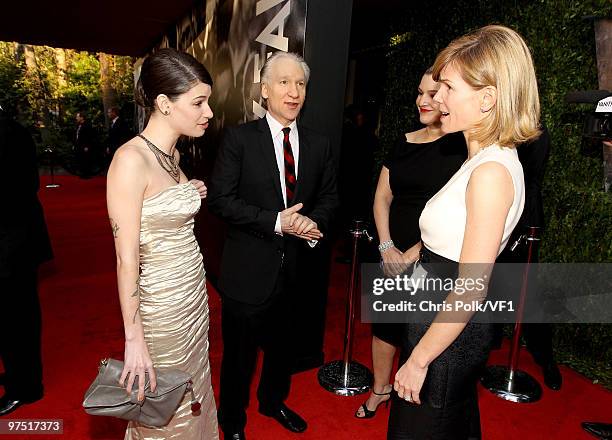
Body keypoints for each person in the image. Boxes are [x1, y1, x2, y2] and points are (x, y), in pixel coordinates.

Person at [388, 25, 540, 439]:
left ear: (488, 99)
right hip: (441, 322)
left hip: (447, 333)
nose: (437, 99)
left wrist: (418, 360)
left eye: (448, 88)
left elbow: (471, 285)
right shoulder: (484, 160)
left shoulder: (490, 171)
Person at [208, 51, 338, 440]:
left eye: (300, 84)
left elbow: (330, 198)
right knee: (240, 358)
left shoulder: (319, 143)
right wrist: (275, 222)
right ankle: (232, 421)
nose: (293, 91)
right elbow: (220, 200)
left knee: (283, 350)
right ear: (265, 90)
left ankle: (272, 401)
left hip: (298, 270)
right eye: (284, 82)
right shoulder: (239, 139)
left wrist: (315, 222)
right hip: (247, 270)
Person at [106, 48, 218, 439]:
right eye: (198, 103)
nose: (208, 113)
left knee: (194, 391)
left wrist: (190, 191)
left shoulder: (172, 155)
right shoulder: (130, 160)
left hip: (193, 300)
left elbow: (162, 209)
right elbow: (126, 260)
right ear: (163, 103)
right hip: (162, 310)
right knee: (163, 408)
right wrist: (134, 339)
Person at [356, 68, 467, 419]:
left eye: (433, 94)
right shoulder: (403, 141)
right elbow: (381, 198)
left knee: (421, 330)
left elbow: (460, 211)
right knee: (385, 327)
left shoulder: (460, 148)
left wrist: (416, 252)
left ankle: (413, 399)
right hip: (392, 252)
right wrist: (386, 247)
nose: (423, 100)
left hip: (432, 256)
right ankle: (380, 389)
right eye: (420, 92)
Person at [492, 125, 562, 391]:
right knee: (487, 282)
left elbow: (527, 177)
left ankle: (545, 357)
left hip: (524, 220)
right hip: (497, 211)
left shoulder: (537, 133)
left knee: (528, 293)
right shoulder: (497, 127)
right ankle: (490, 339)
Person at [0, 104, 53, 415]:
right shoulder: (12, 128)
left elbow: (15, 192)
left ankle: (27, 388)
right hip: (16, 241)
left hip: (12, 245)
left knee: (16, 320)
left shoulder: (7, 133)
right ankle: (20, 376)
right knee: (15, 318)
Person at [74, 111, 97, 178]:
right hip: (79, 145)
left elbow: (90, 136)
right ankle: (82, 173)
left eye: (78, 117)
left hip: (85, 146)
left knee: (86, 160)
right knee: (81, 159)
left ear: (82, 117)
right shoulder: (78, 125)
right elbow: (77, 135)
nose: (76, 118)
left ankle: (87, 174)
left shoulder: (87, 125)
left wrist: (87, 146)